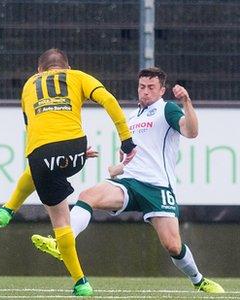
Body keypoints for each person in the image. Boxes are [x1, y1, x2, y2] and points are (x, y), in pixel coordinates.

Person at [31, 67, 225, 294]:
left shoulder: (166, 109)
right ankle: (61, 242)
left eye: (151, 87)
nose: (145, 92)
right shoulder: (132, 118)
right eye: (142, 87)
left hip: (157, 187)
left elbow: (191, 132)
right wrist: (118, 167)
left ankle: (198, 280)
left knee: (172, 245)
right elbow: (130, 156)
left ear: (162, 90)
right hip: (129, 183)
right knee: (87, 196)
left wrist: (187, 102)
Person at [0, 48, 136, 296]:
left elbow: (31, 127)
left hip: (41, 152)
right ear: (67, 66)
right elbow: (109, 100)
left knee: (60, 220)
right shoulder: (78, 76)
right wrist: (126, 140)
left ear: (39, 69)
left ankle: (80, 282)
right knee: (50, 184)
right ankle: (6, 210)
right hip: (76, 149)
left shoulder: (29, 84)